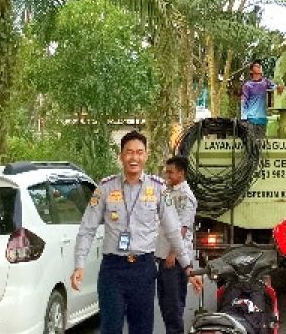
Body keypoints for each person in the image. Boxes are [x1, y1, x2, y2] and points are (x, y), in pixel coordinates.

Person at [72, 131, 202, 334]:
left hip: (143, 269)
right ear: (121, 155)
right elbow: (87, 228)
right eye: (129, 152)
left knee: (141, 329)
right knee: (110, 328)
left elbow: (173, 230)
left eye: (139, 152)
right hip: (112, 270)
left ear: (146, 155)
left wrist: (187, 266)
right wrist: (79, 263)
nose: (134, 157)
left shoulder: (159, 189)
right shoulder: (105, 188)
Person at [156, 155, 198, 334]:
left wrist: (173, 253)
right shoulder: (169, 191)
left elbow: (182, 228)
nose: (168, 176)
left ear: (181, 173)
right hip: (164, 257)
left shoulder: (185, 197)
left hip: (176, 259)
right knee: (165, 303)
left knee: (174, 306)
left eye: (171, 172)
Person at [239, 59, 280, 129]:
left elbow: (277, 89)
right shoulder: (247, 85)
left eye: (260, 66)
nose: (259, 67)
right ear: (251, 71)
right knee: (251, 139)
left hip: (263, 119)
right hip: (251, 120)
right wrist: (243, 118)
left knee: (261, 139)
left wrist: (280, 87)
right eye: (256, 66)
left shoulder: (266, 82)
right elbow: (244, 101)